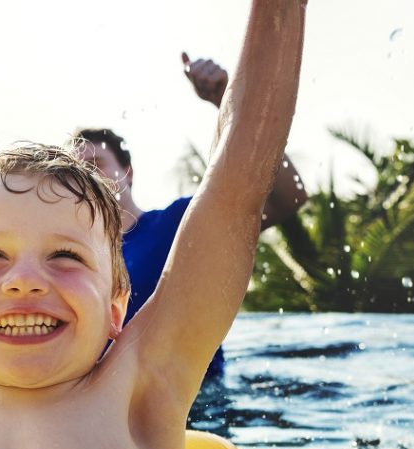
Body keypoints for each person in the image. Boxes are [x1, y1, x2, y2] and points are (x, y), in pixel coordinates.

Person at [0, 0, 305, 449]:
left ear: (117, 308)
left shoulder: (139, 391)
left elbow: (233, 195)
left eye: (65, 257)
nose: (23, 278)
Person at [73, 60, 308, 380]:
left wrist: (228, 99)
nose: (85, 177)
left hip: (198, 406)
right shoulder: (66, 261)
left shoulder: (178, 225)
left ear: (127, 173)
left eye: (96, 163)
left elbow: (286, 197)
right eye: (74, 172)